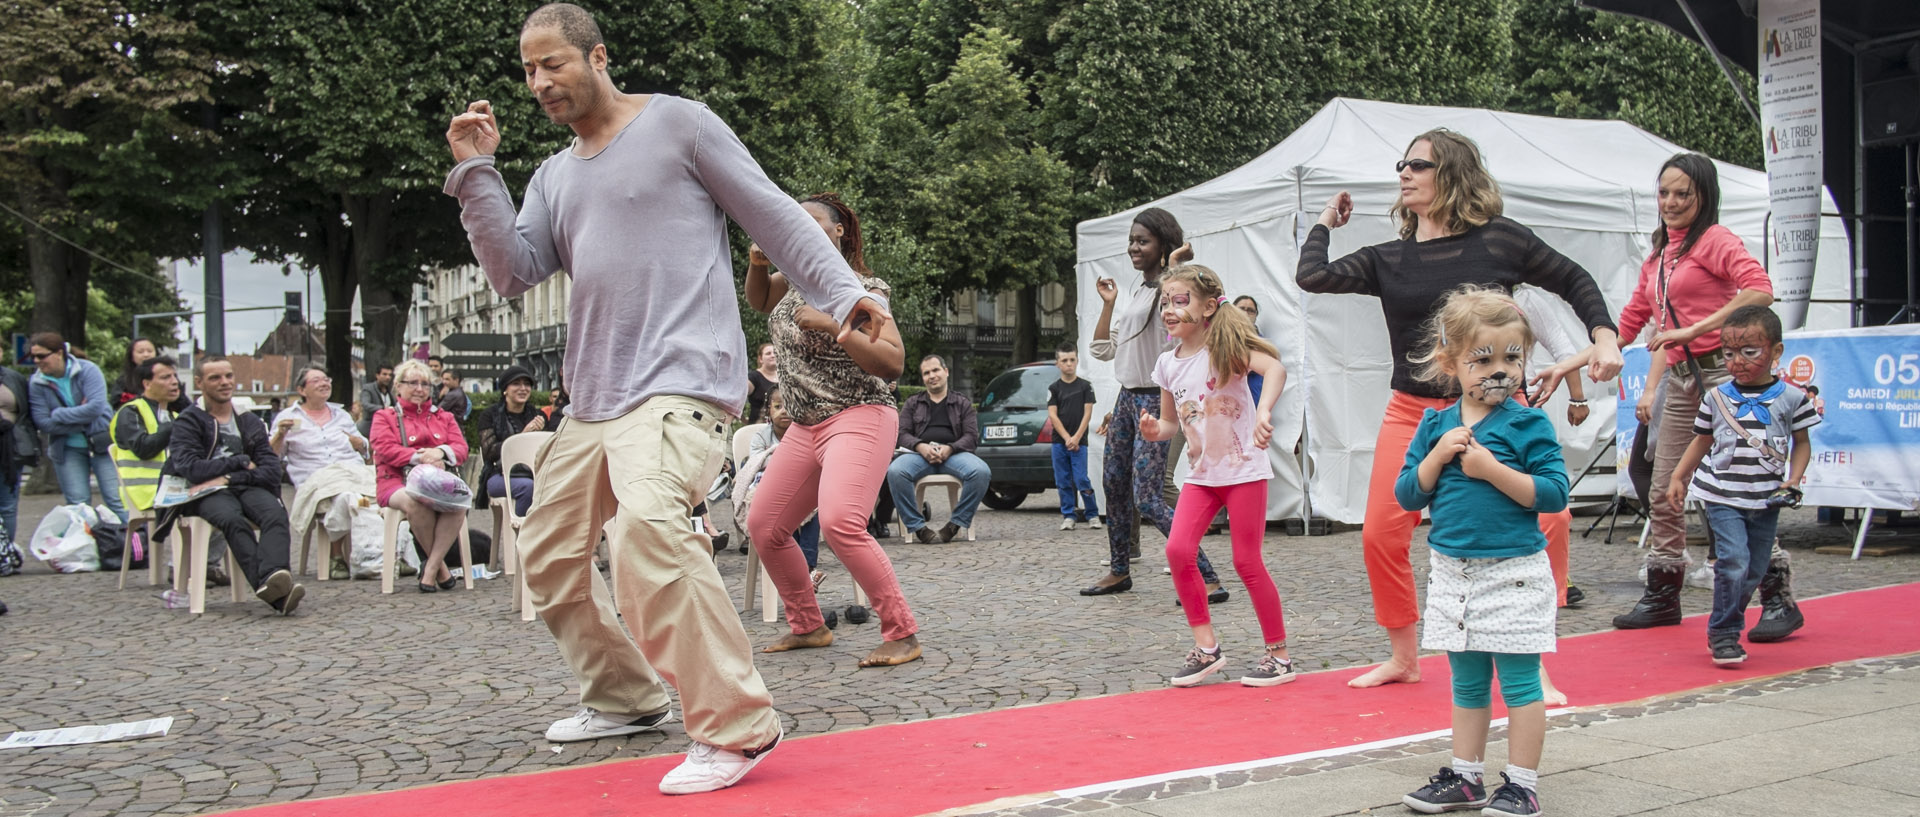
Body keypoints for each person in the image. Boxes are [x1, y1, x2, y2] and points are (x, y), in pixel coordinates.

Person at [442, 1, 889, 794]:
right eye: (528, 71)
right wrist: (479, 172)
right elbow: (513, 270)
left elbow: (769, 211)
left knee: (650, 529)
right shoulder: (551, 175)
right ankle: (624, 696)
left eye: (553, 63)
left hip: (681, 379)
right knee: (544, 555)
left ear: (598, 57)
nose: (539, 82)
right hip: (595, 396)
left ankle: (737, 724)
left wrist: (846, 291)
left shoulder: (679, 124)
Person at [1297, 129, 1621, 689]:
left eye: (1416, 164)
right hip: (1414, 413)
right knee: (1381, 534)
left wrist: (1605, 335)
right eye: (1402, 163)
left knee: (1554, 518)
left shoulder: (1499, 241)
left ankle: (1532, 654)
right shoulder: (1388, 258)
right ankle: (1403, 657)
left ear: (1451, 172)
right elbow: (1312, 276)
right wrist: (1326, 219)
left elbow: (1574, 278)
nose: (1404, 172)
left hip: (1499, 407)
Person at [1541, 154, 1778, 634]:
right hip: (1684, 378)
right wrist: (1567, 363)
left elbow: (1759, 289)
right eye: (1664, 193)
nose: (1670, 202)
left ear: (1703, 196)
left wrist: (1695, 329)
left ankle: (1777, 595)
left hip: (1722, 377)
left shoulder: (1715, 240)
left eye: (1682, 194)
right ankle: (1664, 591)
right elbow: (1625, 326)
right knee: (1663, 486)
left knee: (1744, 488)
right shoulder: (1659, 254)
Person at [1393, 286, 1567, 817]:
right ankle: (1466, 776)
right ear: (1450, 362)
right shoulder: (1434, 424)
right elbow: (1406, 494)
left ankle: (1522, 784)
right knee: (1466, 681)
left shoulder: (1528, 423)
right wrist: (1437, 457)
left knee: (1518, 683)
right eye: (1482, 358)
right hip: (1453, 572)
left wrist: (1491, 470)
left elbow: (1555, 494)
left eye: (1512, 357)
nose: (1499, 370)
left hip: (1513, 570)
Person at [745, 192, 921, 667]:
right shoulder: (791, 281)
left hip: (860, 413)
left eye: (812, 223)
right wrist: (758, 263)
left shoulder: (864, 288)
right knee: (764, 526)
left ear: (839, 230)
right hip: (806, 425)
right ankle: (808, 626)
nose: (799, 231)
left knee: (842, 522)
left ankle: (901, 632)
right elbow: (759, 299)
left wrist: (830, 323)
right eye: (792, 224)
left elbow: (892, 363)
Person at [1138, 265, 1295, 689]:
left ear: (1208, 307)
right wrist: (1157, 432)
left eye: (1179, 300)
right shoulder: (1167, 364)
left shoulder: (1225, 348)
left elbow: (1275, 370)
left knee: (1247, 561)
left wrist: (1263, 412)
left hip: (1243, 472)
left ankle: (1279, 656)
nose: (1169, 310)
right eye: (1165, 302)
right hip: (1202, 476)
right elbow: (1172, 425)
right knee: (1177, 550)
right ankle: (1207, 649)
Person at [1083, 208, 1224, 600]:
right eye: (1131, 240)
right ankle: (1119, 570)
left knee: (1148, 495)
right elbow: (1103, 350)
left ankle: (1208, 576)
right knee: (1113, 484)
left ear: (1164, 245)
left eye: (1143, 241)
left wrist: (1176, 266)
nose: (1133, 247)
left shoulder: (1175, 293)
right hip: (1127, 397)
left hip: (1153, 398)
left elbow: (1176, 317)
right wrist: (1109, 303)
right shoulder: (1138, 291)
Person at [1665, 306, 1816, 664]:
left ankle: (1727, 617)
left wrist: (1793, 480)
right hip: (1721, 495)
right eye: (1728, 353)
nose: (1737, 361)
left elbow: (1802, 443)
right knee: (1732, 561)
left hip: (1766, 499)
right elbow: (1701, 441)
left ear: (1775, 352)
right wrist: (1677, 477)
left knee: (1754, 569)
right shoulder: (1715, 398)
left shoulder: (1792, 398)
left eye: (1749, 351)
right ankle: (1724, 633)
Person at [169, 357, 307, 615]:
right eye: (215, 378)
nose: (224, 383)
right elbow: (191, 468)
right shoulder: (188, 421)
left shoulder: (248, 421)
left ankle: (272, 580)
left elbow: (269, 470)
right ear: (199, 383)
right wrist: (242, 461)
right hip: (206, 491)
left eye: (228, 376)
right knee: (232, 519)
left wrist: (232, 477)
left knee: (275, 513)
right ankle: (277, 593)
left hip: (242, 485)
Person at [371, 359, 471, 592]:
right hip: (396, 481)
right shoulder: (384, 416)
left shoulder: (443, 416)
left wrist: (439, 451)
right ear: (398, 386)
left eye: (425, 384)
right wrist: (420, 457)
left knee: (459, 501)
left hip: (437, 481)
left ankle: (431, 567)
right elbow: (385, 449)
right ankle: (442, 570)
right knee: (415, 501)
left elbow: (461, 448)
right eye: (412, 383)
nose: (419, 389)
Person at [271, 365, 372, 579]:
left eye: (326, 379)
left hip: (350, 471)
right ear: (301, 390)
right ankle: (337, 556)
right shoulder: (288, 417)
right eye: (316, 380)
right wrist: (280, 434)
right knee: (345, 496)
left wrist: (360, 444)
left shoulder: (341, 415)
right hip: (316, 479)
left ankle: (382, 553)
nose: (324, 383)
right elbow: (271, 456)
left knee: (381, 496)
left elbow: (364, 448)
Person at [27, 332, 130, 524]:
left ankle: (134, 549)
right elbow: (43, 422)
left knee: (116, 501)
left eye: (41, 356)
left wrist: (58, 415)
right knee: (77, 505)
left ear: (59, 353)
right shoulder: (36, 383)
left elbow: (96, 407)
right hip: (67, 449)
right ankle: (87, 551)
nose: (36, 361)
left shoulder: (88, 370)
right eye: (33, 357)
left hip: (101, 444)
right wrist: (82, 417)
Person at [888, 355, 991, 543]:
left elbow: (971, 436)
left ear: (946, 371)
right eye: (926, 373)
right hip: (919, 456)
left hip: (955, 455)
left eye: (935, 370)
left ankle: (955, 524)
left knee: (981, 471)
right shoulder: (913, 403)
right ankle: (918, 527)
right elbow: (901, 433)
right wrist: (921, 446)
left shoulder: (962, 402)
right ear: (923, 378)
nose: (932, 376)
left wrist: (950, 448)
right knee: (895, 471)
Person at [109, 356, 192, 552]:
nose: (174, 382)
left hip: (174, 488)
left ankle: (203, 566)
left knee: (225, 500)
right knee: (212, 506)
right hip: (146, 492)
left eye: (174, 376)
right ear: (146, 384)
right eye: (165, 377)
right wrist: (177, 426)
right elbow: (143, 448)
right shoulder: (130, 412)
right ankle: (190, 567)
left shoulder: (174, 415)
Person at [739, 387, 821, 577]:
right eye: (777, 406)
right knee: (780, 510)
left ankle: (808, 564)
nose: (784, 411)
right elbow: (757, 462)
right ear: (769, 410)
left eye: (789, 406)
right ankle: (792, 564)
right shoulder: (761, 436)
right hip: (767, 487)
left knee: (814, 507)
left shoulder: (805, 433)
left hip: (799, 485)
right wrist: (785, 457)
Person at [476, 365, 547, 517]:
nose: (523, 388)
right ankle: (522, 536)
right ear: (505, 389)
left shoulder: (537, 415)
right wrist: (523, 436)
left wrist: (541, 434)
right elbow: (489, 452)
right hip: (499, 475)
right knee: (528, 487)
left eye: (527, 384)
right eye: (516, 383)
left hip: (534, 473)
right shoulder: (490, 415)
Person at [1046, 342, 1100, 530]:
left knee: (1081, 478)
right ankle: (1068, 515)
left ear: (1077, 361)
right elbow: (1053, 415)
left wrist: (1076, 437)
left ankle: (1092, 513)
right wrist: (1066, 437)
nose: (1069, 364)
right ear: (1057, 364)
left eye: (1072, 360)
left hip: (1080, 443)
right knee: (1062, 479)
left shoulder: (1085, 387)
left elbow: (1087, 413)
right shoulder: (1054, 388)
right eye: (1064, 360)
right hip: (1059, 443)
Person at [0, 350, 39, 544]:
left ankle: (4, 556)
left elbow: (26, 414)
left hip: (10, 449)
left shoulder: (14, 378)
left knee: (8, 504)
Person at [113, 337, 159, 409]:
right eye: (140, 352)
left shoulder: (167, 376)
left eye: (150, 351)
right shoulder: (124, 379)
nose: (146, 355)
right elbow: (116, 403)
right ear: (131, 356)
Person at [355, 364, 394, 439]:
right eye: (384, 374)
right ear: (377, 375)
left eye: (390, 375)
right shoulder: (368, 388)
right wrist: (384, 408)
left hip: (385, 430)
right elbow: (365, 404)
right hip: (368, 430)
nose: (388, 377)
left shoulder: (390, 392)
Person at [746, 343, 779, 425]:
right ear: (760, 359)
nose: (773, 355)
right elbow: (738, 398)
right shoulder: (753, 378)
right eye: (768, 353)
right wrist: (743, 420)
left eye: (775, 353)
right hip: (758, 428)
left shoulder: (784, 377)